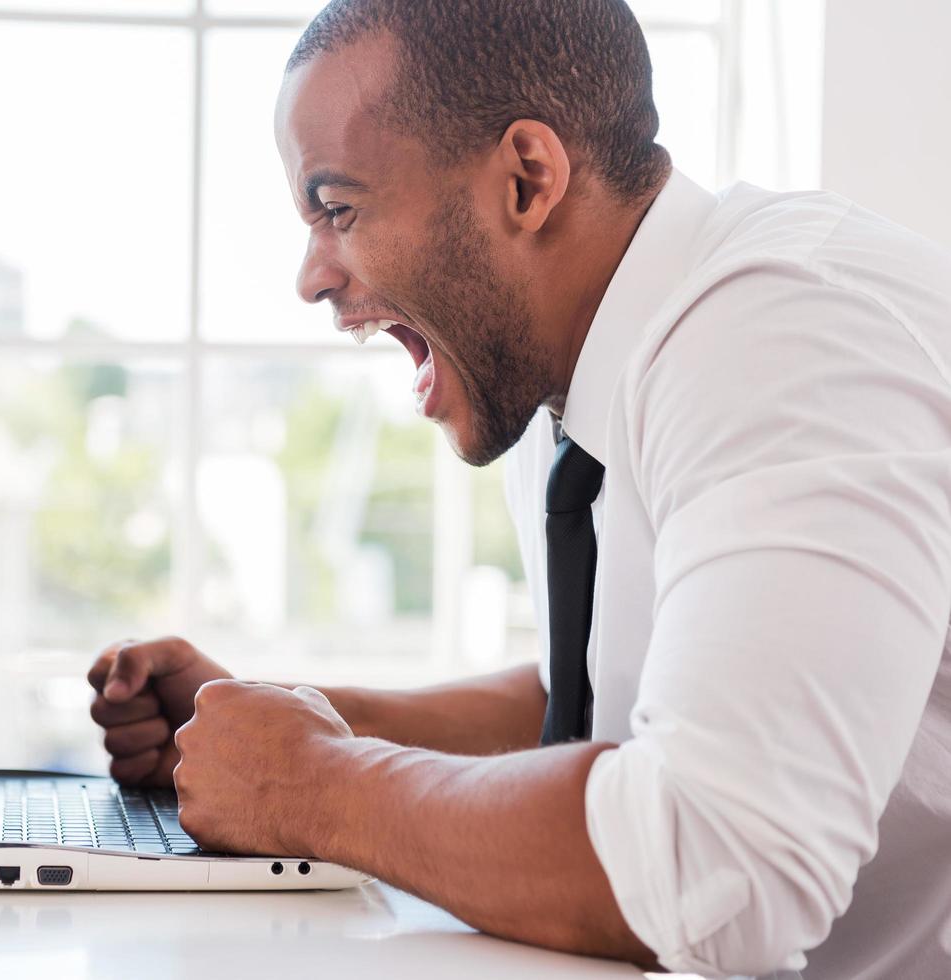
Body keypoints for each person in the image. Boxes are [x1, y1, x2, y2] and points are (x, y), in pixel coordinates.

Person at [85, 2, 951, 976]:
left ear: (524, 179)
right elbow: (585, 700)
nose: (309, 276)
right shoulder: (560, 373)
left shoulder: (783, 338)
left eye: (337, 207)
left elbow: (716, 867)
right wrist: (266, 724)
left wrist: (312, 785)